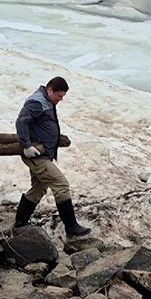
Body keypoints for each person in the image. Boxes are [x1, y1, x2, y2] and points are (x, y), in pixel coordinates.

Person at [14, 75, 89, 238]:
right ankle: (71, 227)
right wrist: (26, 145)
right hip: (36, 155)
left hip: (43, 153)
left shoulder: (46, 101)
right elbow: (21, 122)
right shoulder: (36, 102)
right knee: (60, 184)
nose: (61, 99)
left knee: (39, 187)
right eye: (59, 95)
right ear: (50, 90)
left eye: (63, 96)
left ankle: (20, 223)